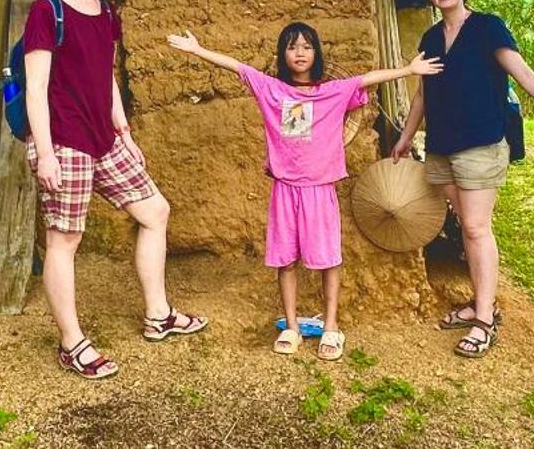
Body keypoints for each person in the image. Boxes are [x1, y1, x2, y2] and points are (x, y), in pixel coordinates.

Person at [167, 23, 441, 360]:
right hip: (285, 190)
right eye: (292, 46)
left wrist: (408, 70)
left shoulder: (333, 91)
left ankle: (331, 326)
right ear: (283, 54)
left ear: (316, 53)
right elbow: (238, 66)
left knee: (329, 259)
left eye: (307, 46)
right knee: (285, 260)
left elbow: (368, 79)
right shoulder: (272, 90)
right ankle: (293, 327)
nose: (300, 52)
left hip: (319, 189)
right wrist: (198, 51)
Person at [20, 0, 206, 380]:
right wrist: (44, 153)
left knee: (155, 212)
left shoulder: (106, 12)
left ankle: (158, 314)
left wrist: (125, 132)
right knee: (65, 239)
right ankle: (71, 342)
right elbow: (36, 87)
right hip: (63, 140)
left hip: (104, 139)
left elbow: (105, 78)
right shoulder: (47, 10)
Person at [391, 0, 534, 358]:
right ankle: (481, 301)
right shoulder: (432, 37)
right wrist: (405, 138)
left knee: (475, 226)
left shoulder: (488, 28)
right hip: (442, 144)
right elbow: (422, 95)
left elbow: (524, 74)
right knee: (468, 227)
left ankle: (484, 318)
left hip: (481, 142)